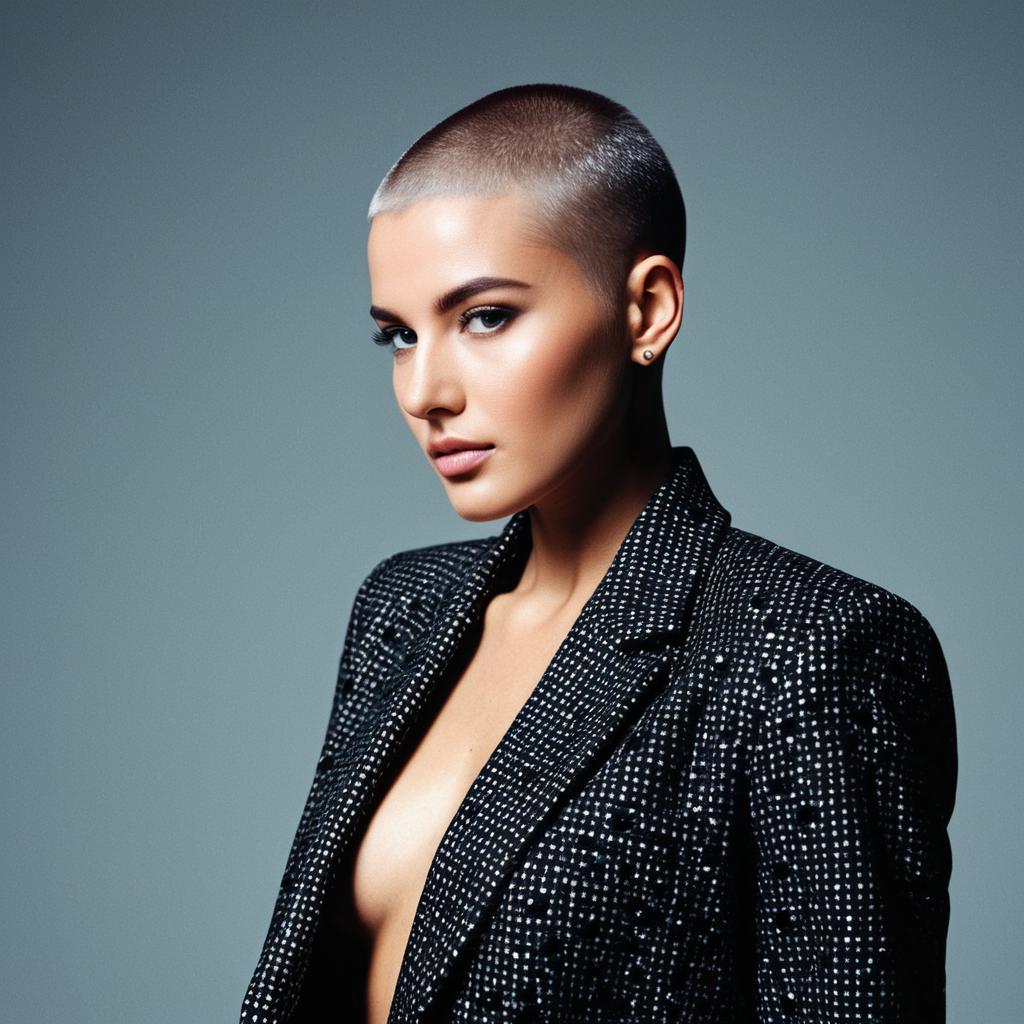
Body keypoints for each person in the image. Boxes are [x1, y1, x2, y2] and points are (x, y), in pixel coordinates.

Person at [240, 84, 957, 1024]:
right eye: (399, 336)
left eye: (485, 316)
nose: (424, 391)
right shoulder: (402, 610)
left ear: (648, 309)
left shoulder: (811, 649)